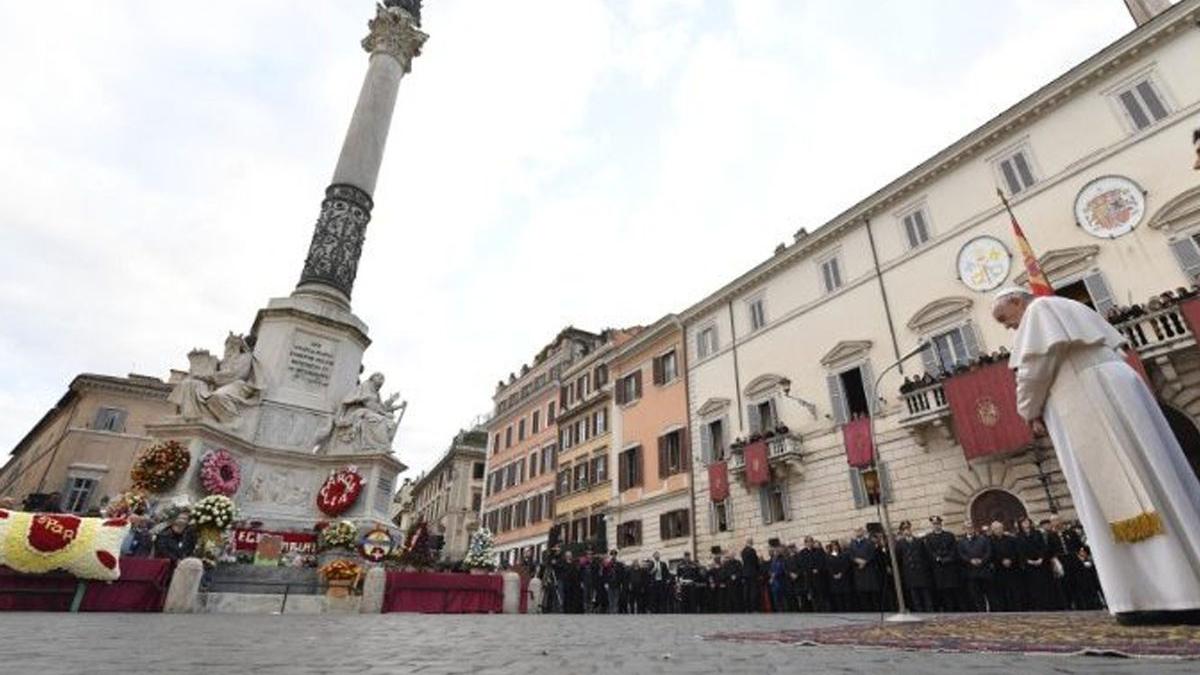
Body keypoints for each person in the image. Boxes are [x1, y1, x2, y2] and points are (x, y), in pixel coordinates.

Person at [994, 287, 1200, 624]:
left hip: (1089, 398)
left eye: (1005, 318)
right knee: (1158, 480)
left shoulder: (1041, 309)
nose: (1007, 327)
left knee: (1125, 490)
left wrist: (1028, 410)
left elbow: (1034, 369)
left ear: (1018, 302)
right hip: (1111, 388)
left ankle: (1156, 595)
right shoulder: (1067, 308)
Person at [923, 516, 960, 612]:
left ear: (941, 524)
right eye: (934, 524)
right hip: (938, 569)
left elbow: (954, 550)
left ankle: (955, 610)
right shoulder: (929, 537)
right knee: (942, 593)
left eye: (938, 524)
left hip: (950, 568)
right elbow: (929, 552)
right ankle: (946, 610)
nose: (936, 526)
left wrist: (947, 559)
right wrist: (937, 558)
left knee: (952, 592)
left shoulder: (949, 535)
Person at [1015, 516, 1053, 611]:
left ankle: (1048, 605)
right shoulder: (1018, 536)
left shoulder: (1037, 533)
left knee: (1044, 585)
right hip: (1029, 565)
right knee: (1033, 587)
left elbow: (1042, 547)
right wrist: (1028, 561)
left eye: (1027, 521)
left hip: (1041, 563)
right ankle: (1037, 606)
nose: (1026, 523)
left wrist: (1041, 558)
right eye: (1023, 522)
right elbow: (1019, 551)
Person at [895, 521, 933, 613]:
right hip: (909, 573)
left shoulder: (918, 541)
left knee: (925, 594)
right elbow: (898, 558)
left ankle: (930, 611)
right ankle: (919, 612)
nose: (907, 531)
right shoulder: (900, 544)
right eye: (904, 529)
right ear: (902, 531)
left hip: (921, 572)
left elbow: (925, 555)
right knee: (914, 595)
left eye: (908, 528)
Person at [957, 521, 993, 612]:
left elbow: (988, 552)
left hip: (984, 571)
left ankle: (993, 612)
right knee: (976, 595)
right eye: (967, 527)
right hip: (971, 573)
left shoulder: (983, 539)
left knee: (990, 594)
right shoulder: (961, 542)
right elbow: (961, 554)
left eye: (971, 527)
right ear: (964, 529)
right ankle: (981, 612)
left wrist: (982, 560)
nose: (970, 529)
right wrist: (970, 560)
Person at [989, 521, 1020, 612]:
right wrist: (1001, 561)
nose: (998, 530)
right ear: (992, 530)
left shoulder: (1011, 539)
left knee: (1014, 591)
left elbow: (1016, 551)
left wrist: (1010, 559)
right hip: (999, 570)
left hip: (1012, 568)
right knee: (1002, 591)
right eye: (996, 529)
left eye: (1000, 528)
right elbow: (991, 554)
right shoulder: (990, 541)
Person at [848, 527, 881, 612]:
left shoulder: (869, 542)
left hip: (869, 571)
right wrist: (856, 560)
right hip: (859, 571)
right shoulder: (852, 544)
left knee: (873, 595)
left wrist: (865, 561)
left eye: (859, 530)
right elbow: (851, 556)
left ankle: (877, 612)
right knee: (863, 595)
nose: (858, 532)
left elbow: (873, 554)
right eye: (856, 531)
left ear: (863, 532)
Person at [825, 540, 853, 612]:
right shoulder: (828, 557)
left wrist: (841, 573)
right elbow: (828, 567)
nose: (834, 547)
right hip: (834, 580)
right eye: (833, 546)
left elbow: (846, 565)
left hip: (844, 578)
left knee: (846, 598)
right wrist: (833, 574)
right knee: (838, 598)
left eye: (835, 545)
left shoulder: (843, 554)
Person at [740, 538, 762, 613]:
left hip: (745, 573)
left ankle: (747, 608)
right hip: (752, 573)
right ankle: (753, 608)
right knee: (753, 591)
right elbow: (755, 562)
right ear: (751, 543)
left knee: (746, 591)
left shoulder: (743, 551)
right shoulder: (752, 551)